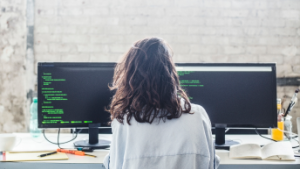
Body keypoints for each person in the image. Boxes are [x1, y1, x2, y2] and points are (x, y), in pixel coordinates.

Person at [104, 37, 220, 169]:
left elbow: (115, 165)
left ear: (131, 76)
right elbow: (210, 163)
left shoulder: (125, 120)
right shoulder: (198, 115)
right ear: (170, 73)